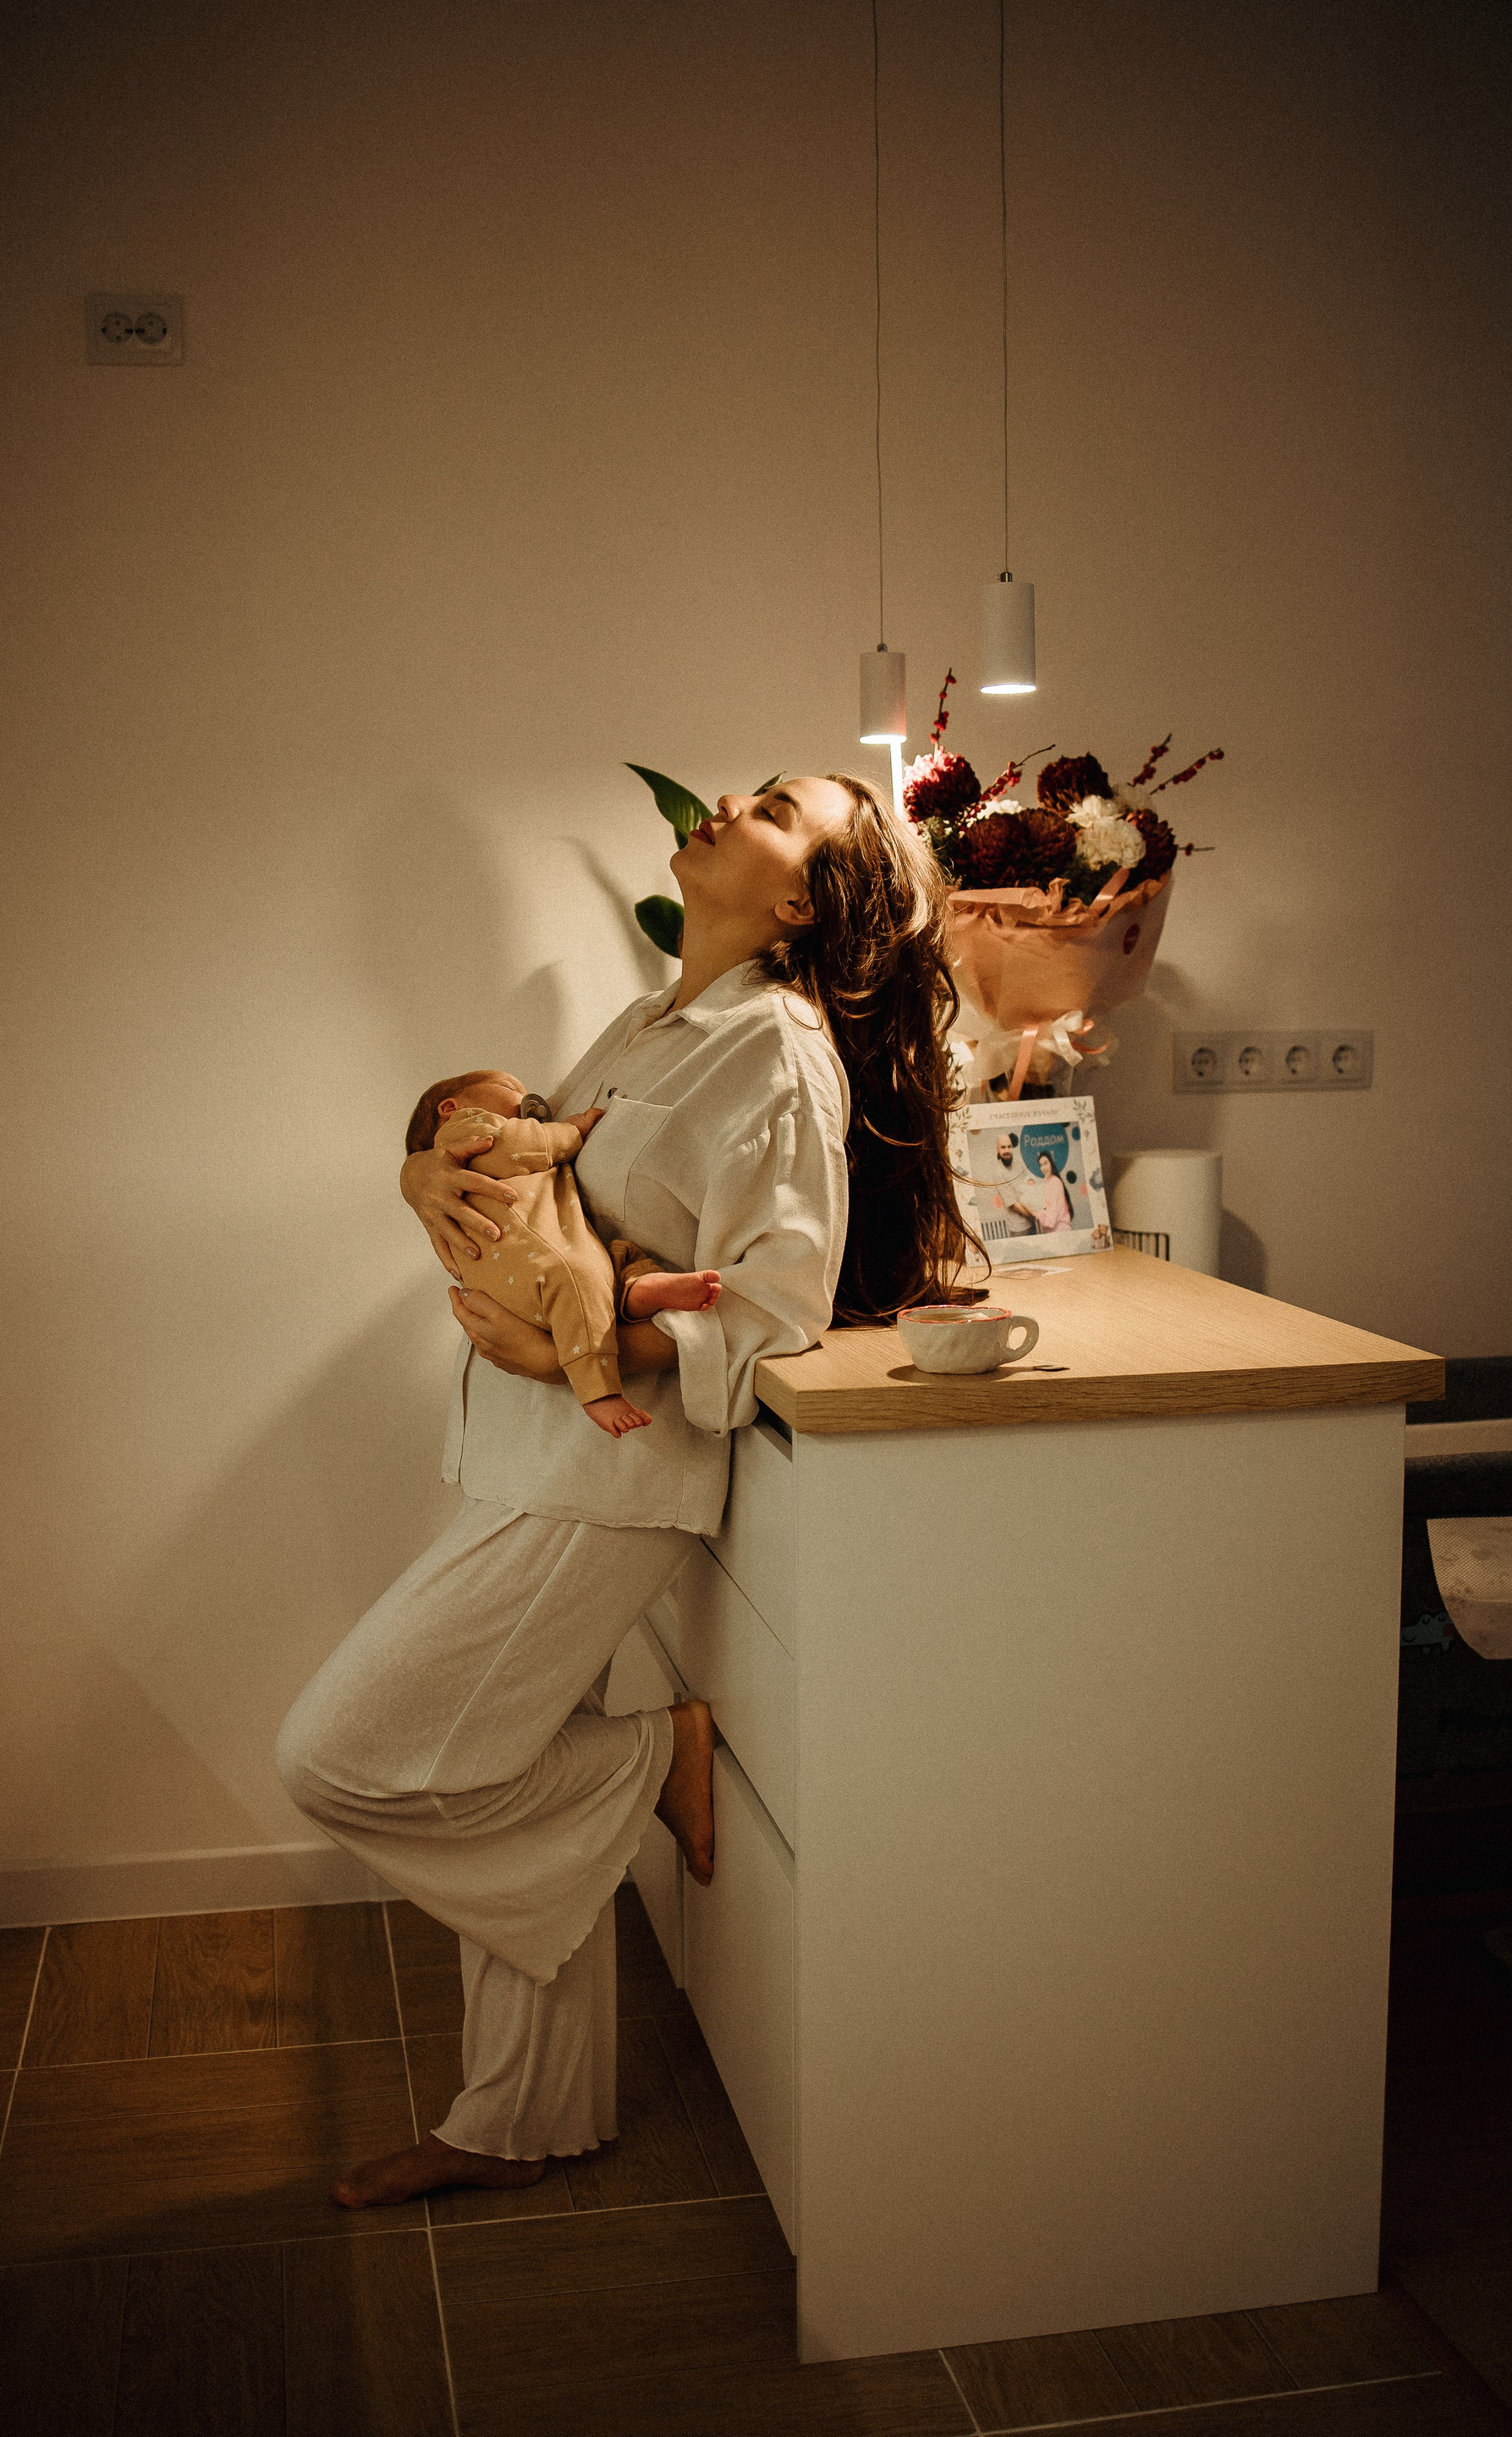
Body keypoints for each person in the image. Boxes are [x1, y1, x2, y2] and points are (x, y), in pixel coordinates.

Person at [275, 772, 976, 2207]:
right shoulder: (657, 1023)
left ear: (801, 901)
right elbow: (525, 1170)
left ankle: (649, 1761)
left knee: (343, 1755)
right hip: (531, 1457)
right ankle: (519, 2119)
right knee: (500, 1776)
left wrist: (580, 1351)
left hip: (602, 1481)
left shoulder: (778, 1052)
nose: (728, 799)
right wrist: (420, 1173)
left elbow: (778, 1303)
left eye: (773, 808)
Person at [405, 1067, 722, 1438]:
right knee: (577, 1277)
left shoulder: (451, 1157)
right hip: (539, 1263)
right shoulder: (467, 1129)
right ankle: (599, 1393)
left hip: (536, 1263)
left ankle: (637, 1292)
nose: (527, 1097)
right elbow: (519, 1146)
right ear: (450, 1108)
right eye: (509, 1087)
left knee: (619, 1258)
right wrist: (571, 1130)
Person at [1035, 1147, 1075, 1232]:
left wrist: (1036, 1214)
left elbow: (1051, 1221)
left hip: (1061, 1230)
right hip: (1055, 1230)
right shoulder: (1047, 1182)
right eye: (1041, 1165)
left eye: (1045, 1163)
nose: (1043, 1168)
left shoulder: (1055, 1182)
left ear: (1051, 1163)